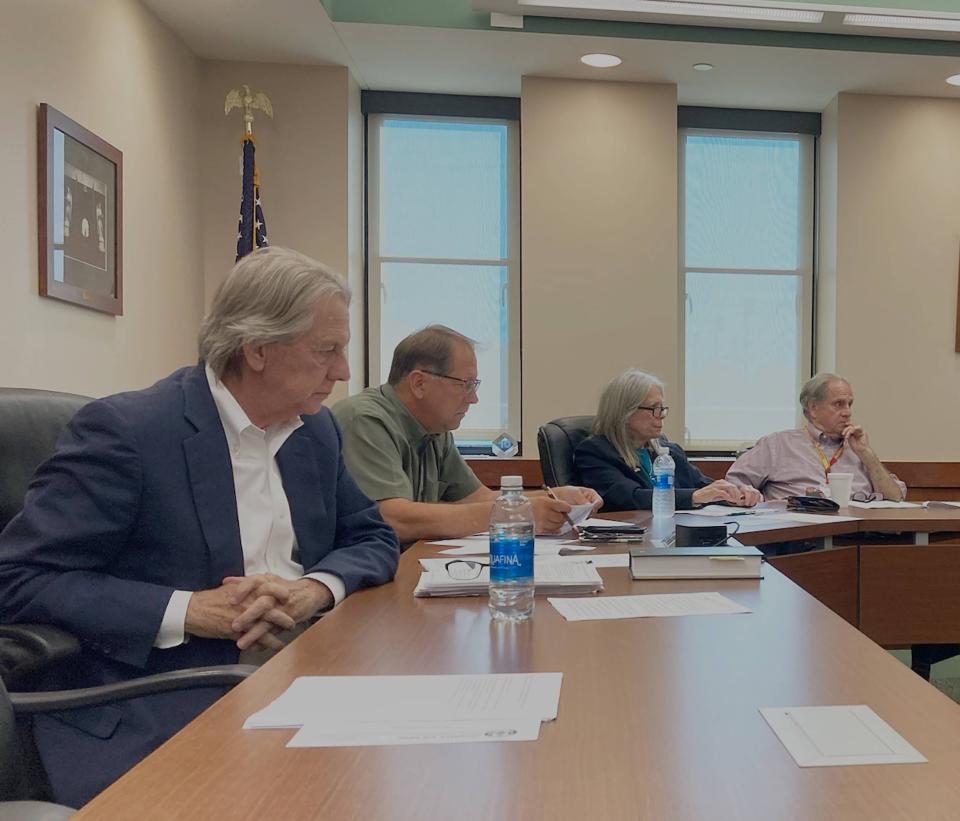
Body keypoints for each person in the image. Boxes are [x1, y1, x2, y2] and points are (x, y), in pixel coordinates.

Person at [0, 247, 400, 807]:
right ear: (257, 349)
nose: (344, 372)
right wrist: (190, 610)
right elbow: (19, 578)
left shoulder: (314, 431)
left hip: (306, 669)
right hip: (168, 694)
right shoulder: (129, 433)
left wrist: (312, 588)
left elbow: (371, 536)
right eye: (327, 351)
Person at [333, 325, 601, 544]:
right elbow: (391, 518)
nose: (473, 398)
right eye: (466, 385)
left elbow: (477, 498)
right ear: (419, 383)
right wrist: (517, 513)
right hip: (356, 587)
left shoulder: (435, 428)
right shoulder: (364, 420)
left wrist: (555, 497)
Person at [574, 369, 762, 512]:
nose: (662, 415)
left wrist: (737, 493)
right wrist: (695, 497)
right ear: (626, 412)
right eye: (654, 408)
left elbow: (703, 485)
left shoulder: (668, 451)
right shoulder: (595, 452)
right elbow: (628, 497)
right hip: (630, 541)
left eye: (663, 408)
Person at [725, 373, 905, 502]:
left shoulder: (857, 449)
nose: (847, 412)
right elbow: (734, 482)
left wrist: (867, 454)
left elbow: (895, 497)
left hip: (859, 536)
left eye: (850, 404)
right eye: (838, 404)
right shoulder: (777, 444)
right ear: (813, 408)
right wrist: (750, 495)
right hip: (799, 539)